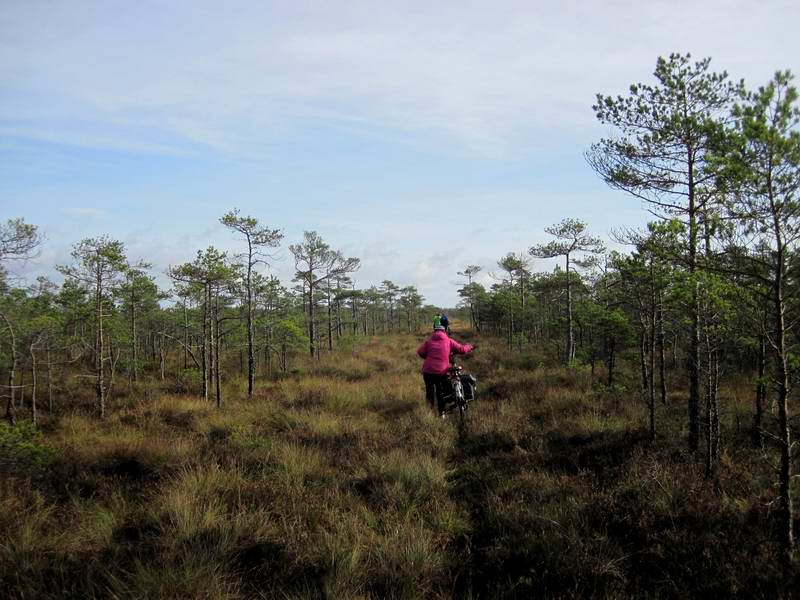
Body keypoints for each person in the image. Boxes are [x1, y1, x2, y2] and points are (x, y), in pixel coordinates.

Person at [417, 314, 473, 416]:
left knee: (429, 393)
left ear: (435, 330)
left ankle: (428, 414)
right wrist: (469, 346)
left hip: (428, 372)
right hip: (441, 372)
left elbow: (420, 352)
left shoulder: (429, 341)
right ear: (445, 330)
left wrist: (429, 357)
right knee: (441, 392)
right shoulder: (448, 341)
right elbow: (462, 349)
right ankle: (441, 413)